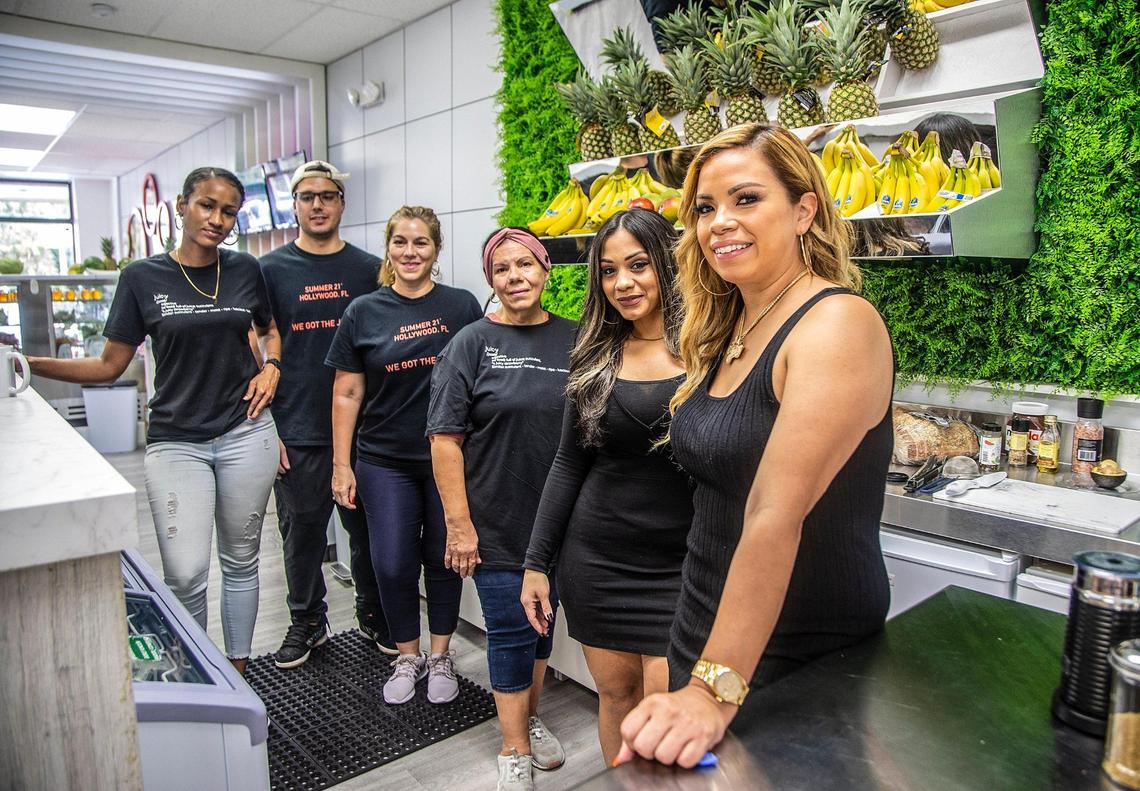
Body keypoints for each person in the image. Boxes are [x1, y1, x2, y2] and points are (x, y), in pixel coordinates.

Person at [614, 123, 894, 768]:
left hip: (795, 655)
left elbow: (773, 513)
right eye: (705, 209)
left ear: (803, 210)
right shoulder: (729, 327)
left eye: (746, 200)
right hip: (707, 630)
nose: (719, 223)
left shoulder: (836, 324)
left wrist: (714, 688)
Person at [28, 167, 282, 674]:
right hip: (176, 443)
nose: (217, 219)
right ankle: (194, 671)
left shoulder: (244, 270)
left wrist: (272, 366)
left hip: (246, 433)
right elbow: (108, 365)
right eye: (206, 205)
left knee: (241, 561)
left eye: (229, 210)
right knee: (186, 573)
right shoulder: (141, 278)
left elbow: (269, 329)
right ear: (182, 206)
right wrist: (29, 364)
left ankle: (238, 673)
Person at [520, 208, 693, 766]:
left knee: (670, 707)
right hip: (599, 561)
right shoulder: (596, 354)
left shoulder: (712, 346)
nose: (623, 283)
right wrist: (536, 563)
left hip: (685, 563)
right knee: (617, 697)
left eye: (638, 265)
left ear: (667, 263)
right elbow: (569, 463)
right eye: (609, 270)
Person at [426, 227, 577, 790]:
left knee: (541, 631)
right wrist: (460, 526)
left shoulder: (576, 338)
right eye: (502, 269)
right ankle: (513, 747)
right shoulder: (470, 342)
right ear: (490, 279)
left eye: (526, 265)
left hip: (559, 519)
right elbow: (444, 439)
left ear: (545, 270)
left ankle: (530, 719)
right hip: (495, 519)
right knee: (511, 630)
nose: (516, 277)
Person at [327, 205, 483, 706]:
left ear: (436, 250)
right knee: (391, 565)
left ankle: (440, 654)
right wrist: (341, 463)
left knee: (444, 559)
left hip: (448, 459)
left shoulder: (462, 307)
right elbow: (347, 393)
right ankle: (407, 654)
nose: (410, 252)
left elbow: (480, 383)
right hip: (383, 460)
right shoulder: (363, 312)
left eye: (421, 243)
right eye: (400, 242)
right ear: (388, 249)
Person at [259, 159, 394, 669]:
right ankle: (308, 621)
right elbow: (256, 349)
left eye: (328, 196)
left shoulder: (367, 270)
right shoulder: (269, 271)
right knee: (302, 535)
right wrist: (266, 429)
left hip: (365, 432)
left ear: (341, 203)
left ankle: (373, 613)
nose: (318, 205)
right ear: (294, 205)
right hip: (296, 426)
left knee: (367, 534)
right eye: (307, 197)